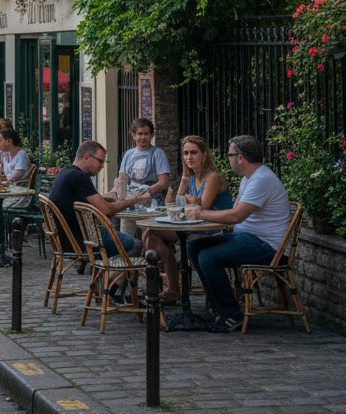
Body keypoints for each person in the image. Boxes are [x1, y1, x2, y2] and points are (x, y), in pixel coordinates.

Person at [187, 134, 290, 332]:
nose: (229, 159)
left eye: (230, 155)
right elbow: (235, 217)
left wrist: (200, 213)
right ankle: (218, 309)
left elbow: (236, 216)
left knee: (208, 257)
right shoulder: (249, 178)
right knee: (194, 247)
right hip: (247, 238)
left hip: (267, 246)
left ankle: (230, 314)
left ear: (240, 158)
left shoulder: (261, 179)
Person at [142, 135, 232, 303]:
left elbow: (202, 206)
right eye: (185, 153)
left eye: (193, 153)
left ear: (204, 154)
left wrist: (186, 197)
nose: (189, 157)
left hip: (215, 229)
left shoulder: (213, 178)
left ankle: (157, 281)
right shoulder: (191, 178)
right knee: (150, 233)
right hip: (193, 225)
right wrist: (183, 183)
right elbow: (176, 204)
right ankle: (172, 286)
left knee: (150, 234)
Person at [47, 141, 149, 261]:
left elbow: (78, 201)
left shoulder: (66, 172)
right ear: (86, 157)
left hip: (64, 240)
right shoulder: (80, 177)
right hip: (83, 241)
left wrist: (104, 197)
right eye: (100, 161)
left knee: (114, 227)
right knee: (136, 245)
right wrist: (133, 200)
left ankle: (105, 275)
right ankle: (109, 278)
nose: (102, 166)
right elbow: (107, 210)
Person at [116, 118, 171, 206]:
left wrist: (144, 192)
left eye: (146, 134)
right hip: (129, 202)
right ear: (133, 135)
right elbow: (122, 178)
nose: (143, 137)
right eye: (140, 134)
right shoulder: (128, 154)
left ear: (152, 135)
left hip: (152, 202)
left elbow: (164, 182)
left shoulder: (157, 153)